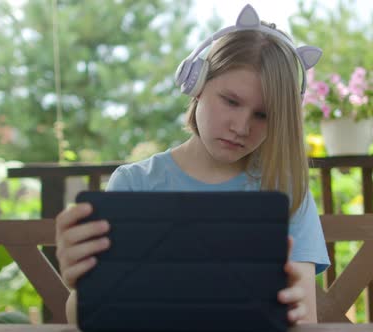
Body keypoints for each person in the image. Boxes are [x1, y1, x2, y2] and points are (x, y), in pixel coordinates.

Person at [55, 3, 330, 325]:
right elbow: (88, 316)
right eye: (230, 101)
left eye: (263, 115)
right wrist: (83, 287)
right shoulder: (134, 184)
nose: (241, 127)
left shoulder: (286, 190)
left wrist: (294, 314)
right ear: (195, 84)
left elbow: (306, 317)